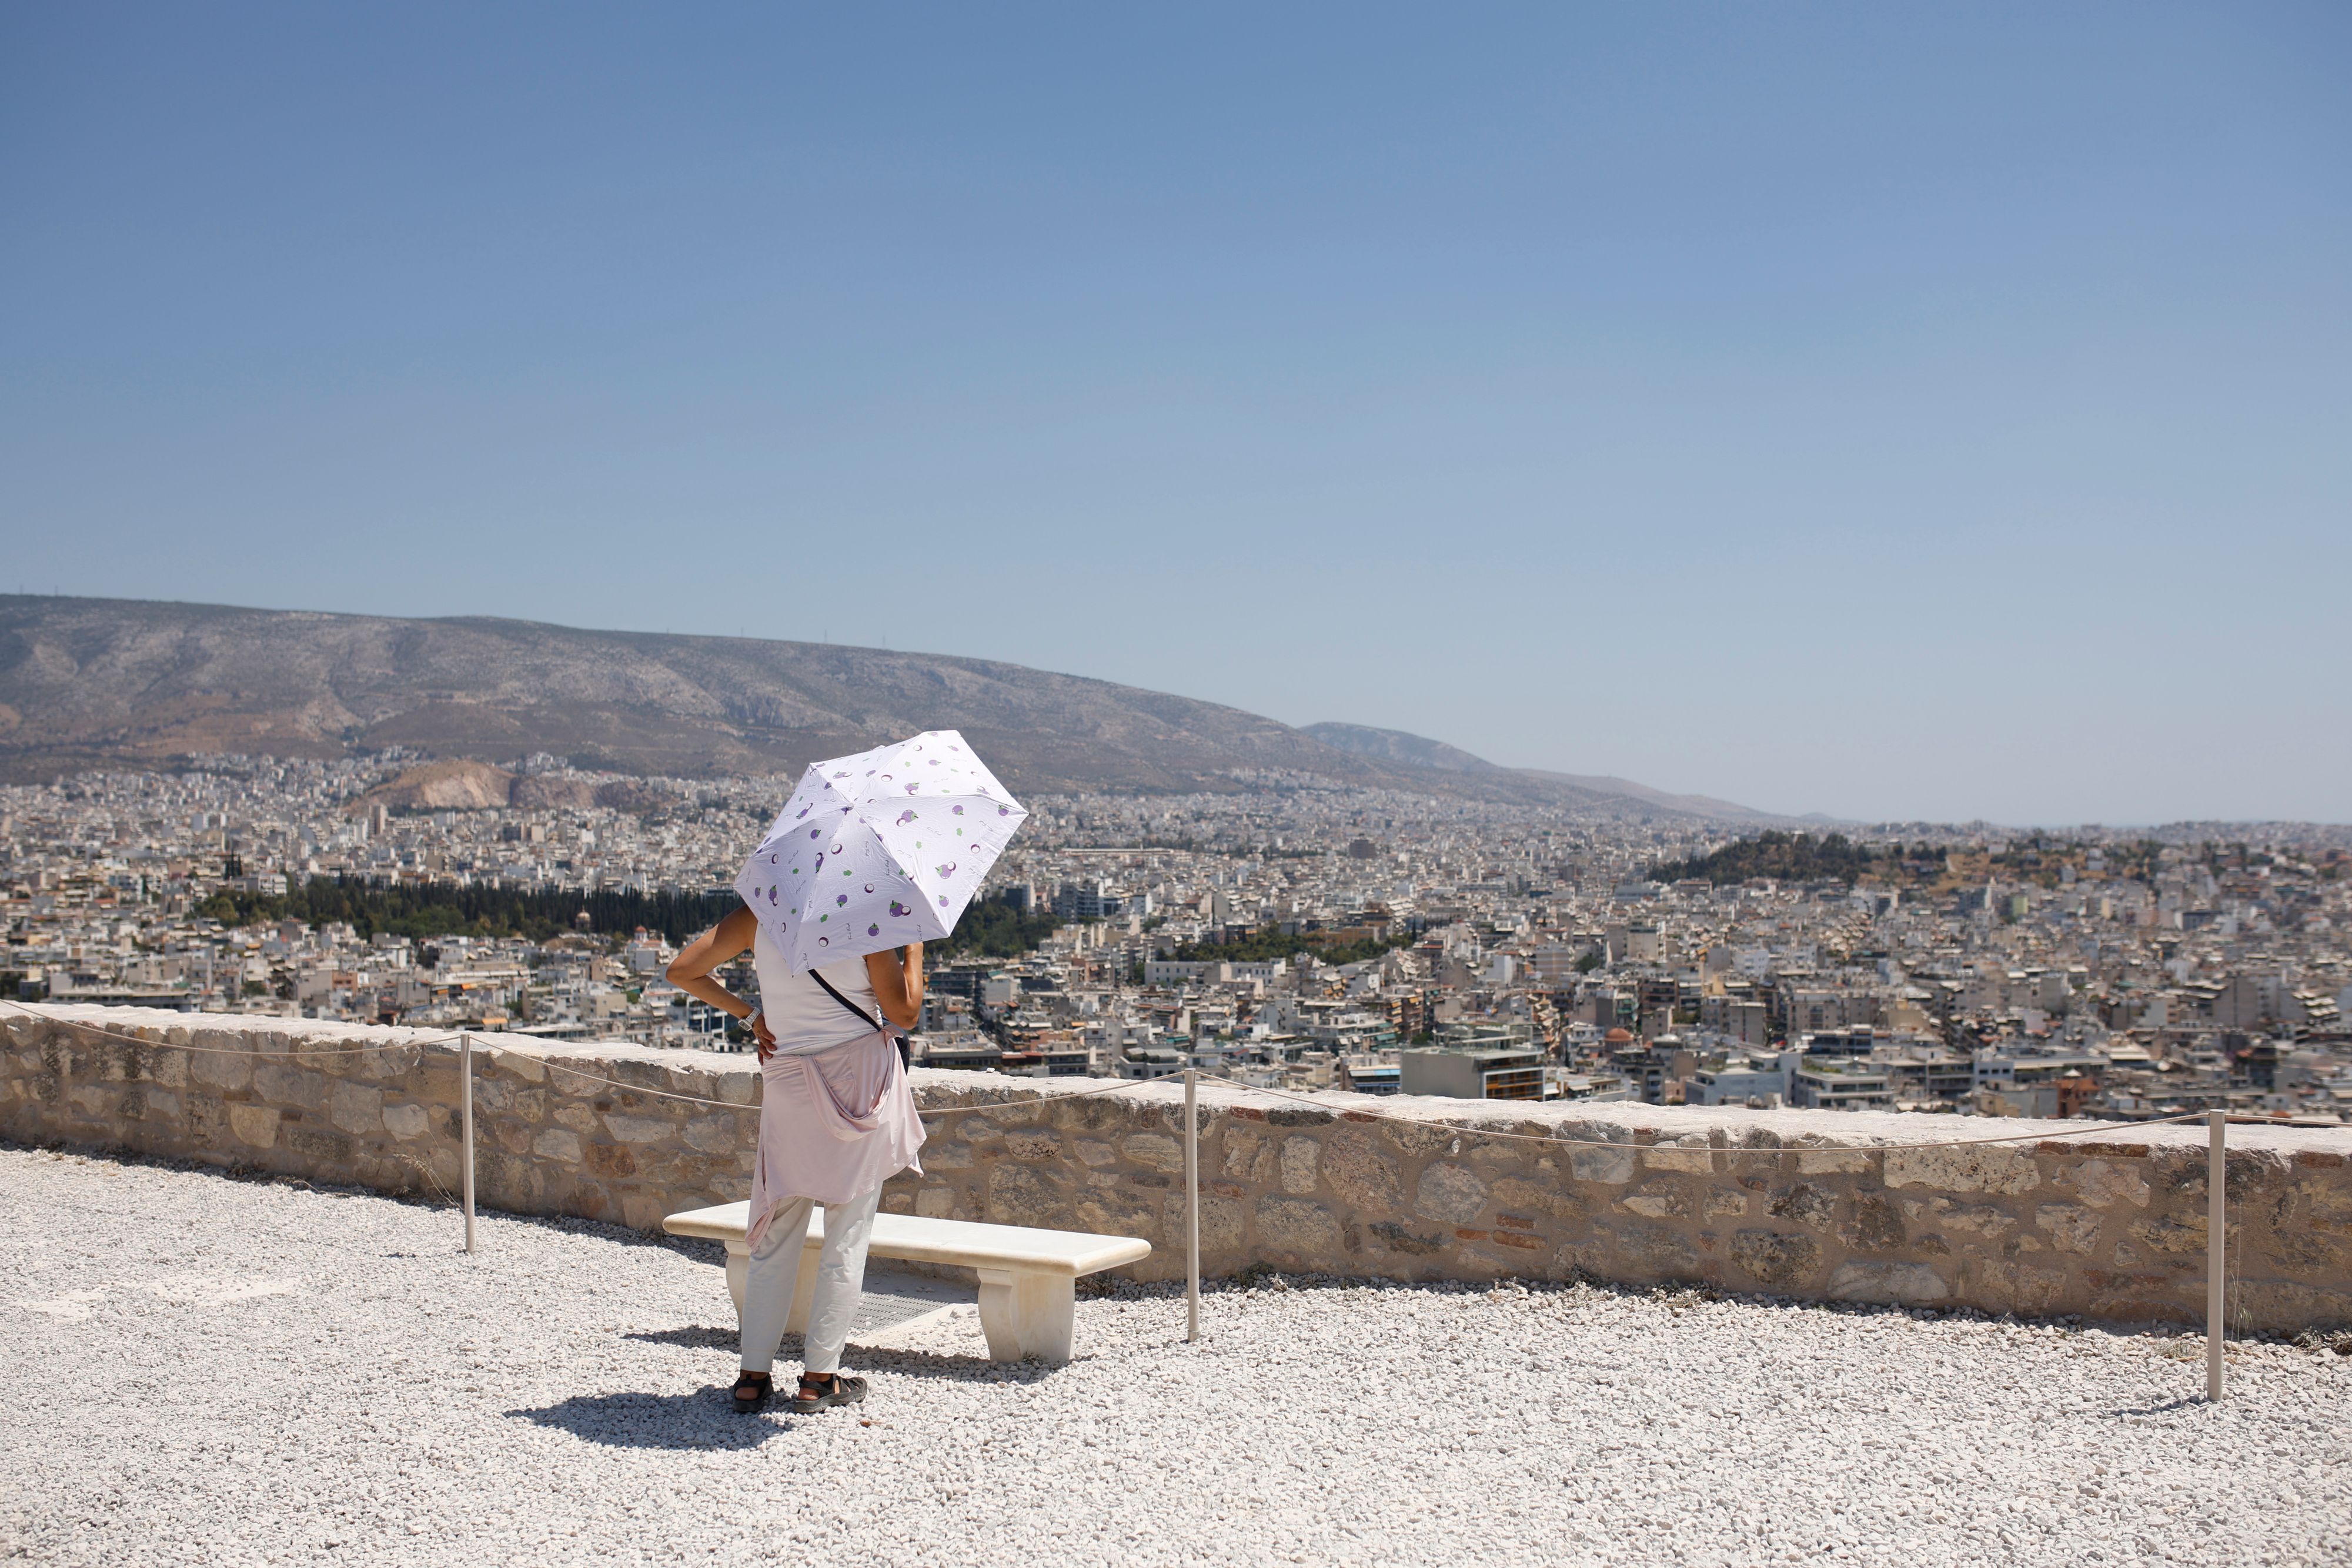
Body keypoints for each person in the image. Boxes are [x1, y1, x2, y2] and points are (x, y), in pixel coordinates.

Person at [667, 905, 926, 1415]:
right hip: (857, 1085)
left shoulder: (758, 916)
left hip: (788, 1081)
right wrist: (913, 949)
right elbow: (905, 1013)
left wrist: (750, 1016)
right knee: (845, 1236)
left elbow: (682, 971)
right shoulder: (866, 922)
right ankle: (818, 1378)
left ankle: (751, 1376)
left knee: (775, 1233)